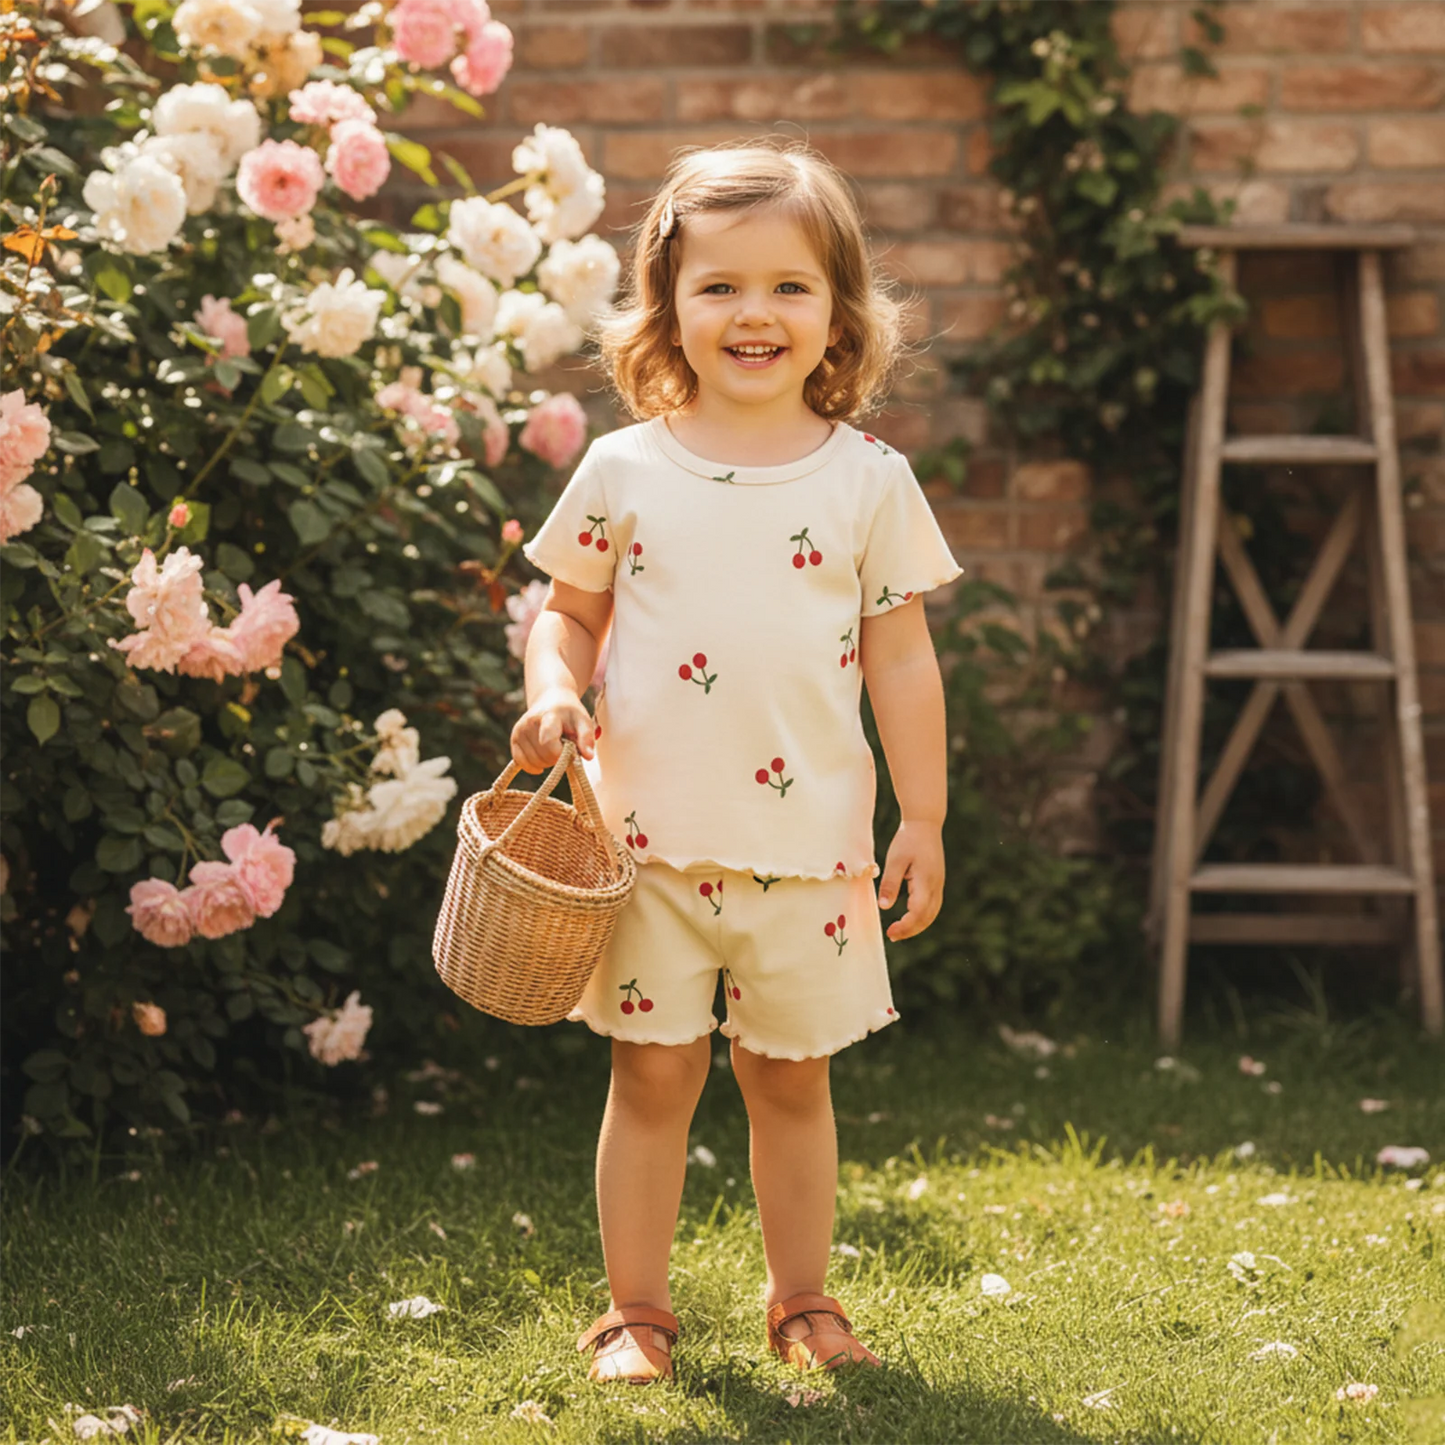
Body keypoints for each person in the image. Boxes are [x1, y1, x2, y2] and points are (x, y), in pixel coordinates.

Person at [510, 139, 963, 1385]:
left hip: (810, 850)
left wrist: (921, 815)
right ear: (667, 304)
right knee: (651, 1076)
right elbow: (567, 614)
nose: (752, 313)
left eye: (787, 286)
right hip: (644, 846)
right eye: (718, 286)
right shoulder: (623, 469)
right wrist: (552, 687)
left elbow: (902, 660)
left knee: (790, 1080)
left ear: (837, 313)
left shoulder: (870, 482)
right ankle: (634, 1312)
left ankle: (803, 1299)